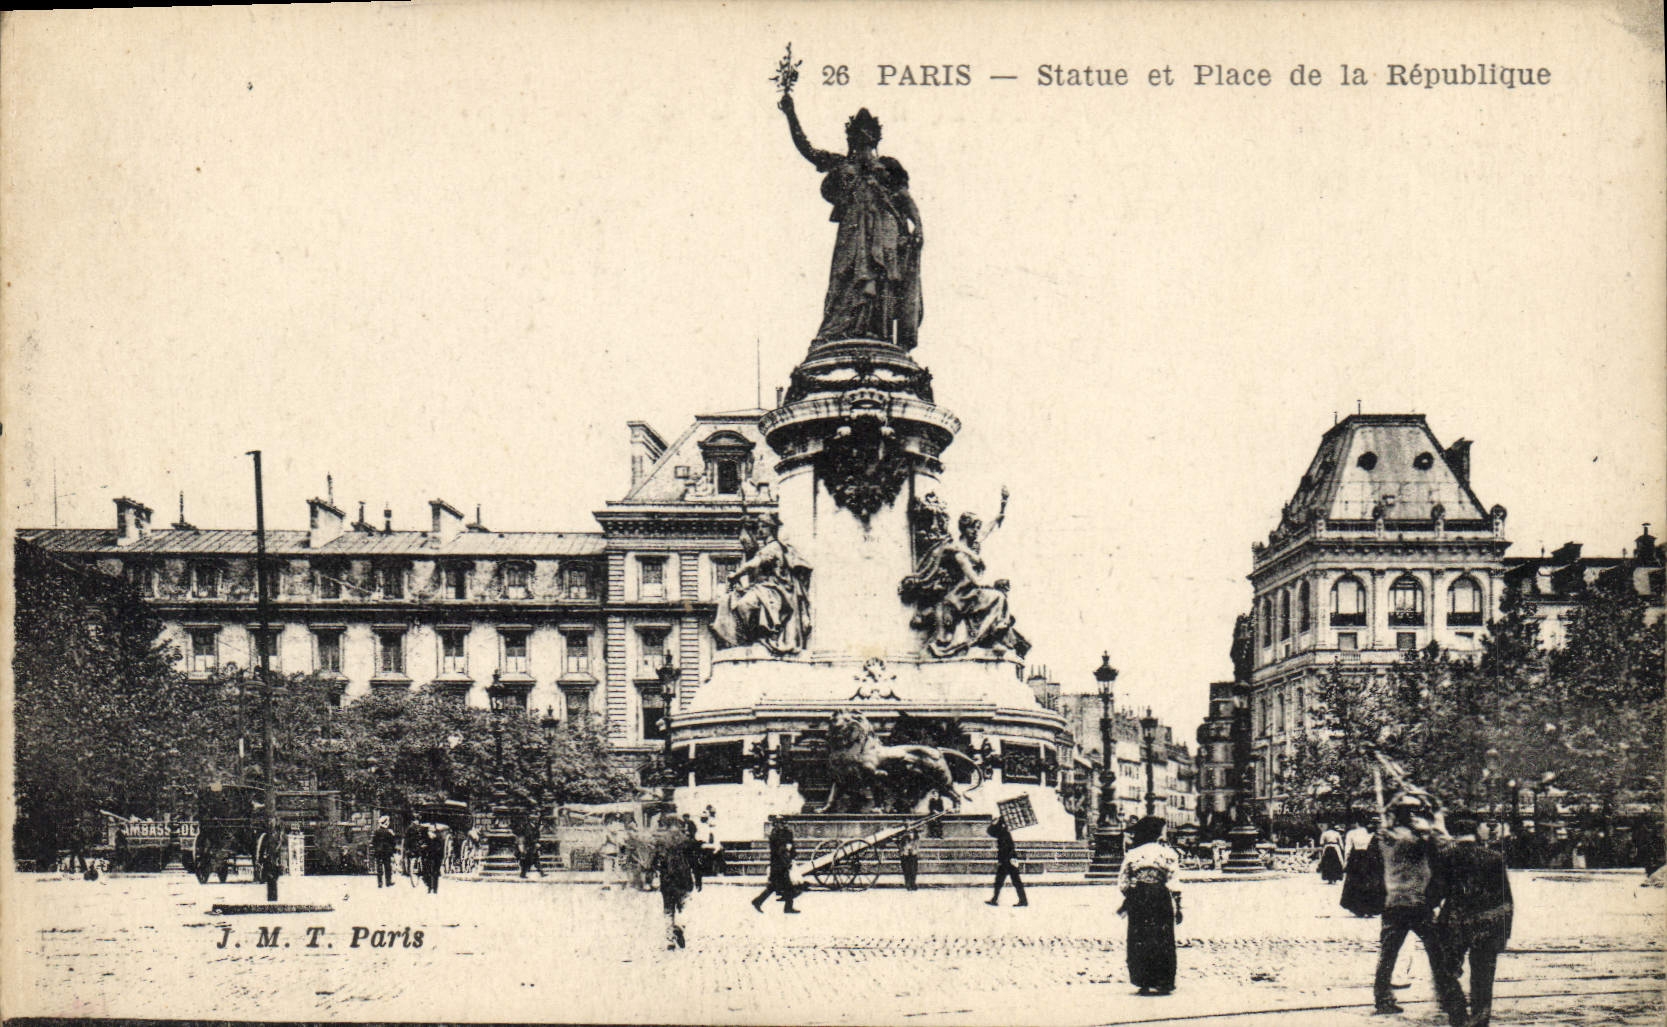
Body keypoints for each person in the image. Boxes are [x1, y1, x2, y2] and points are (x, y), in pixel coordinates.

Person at [778, 92, 923, 350]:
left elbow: (904, 197)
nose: (861, 140)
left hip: (885, 229)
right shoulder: (840, 163)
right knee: (845, 274)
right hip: (853, 229)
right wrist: (791, 114)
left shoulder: (888, 167)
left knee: (884, 279)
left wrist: (918, 225)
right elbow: (808, 149)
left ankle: (880, 335)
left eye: (867, 135)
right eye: (857, 135)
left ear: (875, 137)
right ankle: (841, 329)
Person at [1373, 794, 1464, 1018]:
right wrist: (1436, 814)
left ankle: (1382, 997)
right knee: (1437, 951)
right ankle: (1446, 996)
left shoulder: (1386, 837)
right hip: (1417, 903)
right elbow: (1445, 844)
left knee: (1388, 954)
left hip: (1393, 901)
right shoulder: (1414, 840)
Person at [1436, 810, 1513, 1027]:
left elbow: (1435, 892)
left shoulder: (1445, 856)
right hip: (1487, 925)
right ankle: (1480, 1021)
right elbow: (1505, 899)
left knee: (1446, 972)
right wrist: (1504, 932)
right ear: (1474, 832)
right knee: (1483, 979)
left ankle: (1458, 1017)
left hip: (1454, 922)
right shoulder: (1494, 858)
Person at [711, 512, 813, 655]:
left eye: (763, 526)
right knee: (729, 602)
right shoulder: (764, 548)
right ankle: (751, 639)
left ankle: (765, 637)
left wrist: (736, 574)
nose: (760, 530)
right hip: (762, 588)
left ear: (771, 528)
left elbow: (754, 564)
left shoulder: (774, 547)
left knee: (745, 605)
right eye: (759, 527)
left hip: (776, 589)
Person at [1118, 816, 1183, 996]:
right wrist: (1178, 906)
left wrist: (1132, 893)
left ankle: (1143, 980)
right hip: (1160, 897)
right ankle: (1163, 980)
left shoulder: (1132, 854)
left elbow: (1123, 882)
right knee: (1163, 938)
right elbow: (1174, 882)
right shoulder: (1169, 854)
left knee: (1140, 937)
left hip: (1139, 898)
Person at [652, 823, 697, 950]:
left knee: (668, 910)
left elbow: (655, 862)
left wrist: (656, 874)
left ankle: (669, 940)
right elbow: (693, 862)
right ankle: (680, 927)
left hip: (667, 881)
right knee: (684, 906)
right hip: (683, 879)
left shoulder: (661, 843)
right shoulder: (686, 842)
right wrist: (698, 878)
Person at [752, 820, 801, 914]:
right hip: (778, 865)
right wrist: (787, 849)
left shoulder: (784, 833)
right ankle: (787, 907)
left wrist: (791, 852)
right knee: (783, 886)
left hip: (781, 864)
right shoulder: (775, 834)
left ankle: (758, 901)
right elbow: (779, 850)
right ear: (776, 824)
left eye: (783, 823)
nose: (782, 825)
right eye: (780, 823)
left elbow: (790, 846)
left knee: (779, 886)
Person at [1341, 815, 1383, 917]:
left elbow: (1348, 848)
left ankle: (1358, 908)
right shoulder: (1371, 833)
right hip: (1369, 858)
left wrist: (1345, 861)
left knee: (1355, 882)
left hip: (1355, 858)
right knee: (1369, 882)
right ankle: (1369, 908)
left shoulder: (1352, 833)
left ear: (1356, 823)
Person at [985, 817, 1027, 907]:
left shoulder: (1002, 832)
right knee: (1012, 881)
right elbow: (991, 831)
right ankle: (1023, 900)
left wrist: (993, 824)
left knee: (1001, 881)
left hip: (1007, 861)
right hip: (1009, 860)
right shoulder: (1004, 832)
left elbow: (990, 832)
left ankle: (995, 899)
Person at [371, 816, 397, 888]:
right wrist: (393, 850)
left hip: (379, 852)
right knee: (387, 867)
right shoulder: (389, 832)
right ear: (386, 823)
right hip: (387, 852)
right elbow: (393, 842)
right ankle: (388, 882)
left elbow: (373, 842)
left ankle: (380, 883)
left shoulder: (377, 831)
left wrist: (376, 848)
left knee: (379, 867)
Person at [420, 823, 445, 895]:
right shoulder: (427, 838)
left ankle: (434, 890)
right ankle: (429, 887)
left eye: (432, 831)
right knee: (428, 873)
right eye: (429, 831)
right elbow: (424, 846)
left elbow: (440, 849)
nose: (430, 833)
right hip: (429, 857)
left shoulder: (438, 838)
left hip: (436, 858)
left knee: (435, 873)